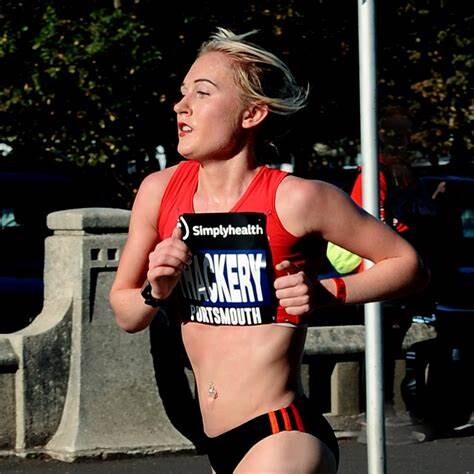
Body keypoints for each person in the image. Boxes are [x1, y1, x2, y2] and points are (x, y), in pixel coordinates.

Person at [109, 28, 428, 474]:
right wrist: (155, 290)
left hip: (281, 434)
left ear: (252, 113)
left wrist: (328, 292)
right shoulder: (159, 191)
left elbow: (409, 265)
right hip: (216, 440)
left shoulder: (297, 198)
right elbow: (126, 313)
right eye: (183, 93)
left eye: (202, 93)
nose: (181, 106)